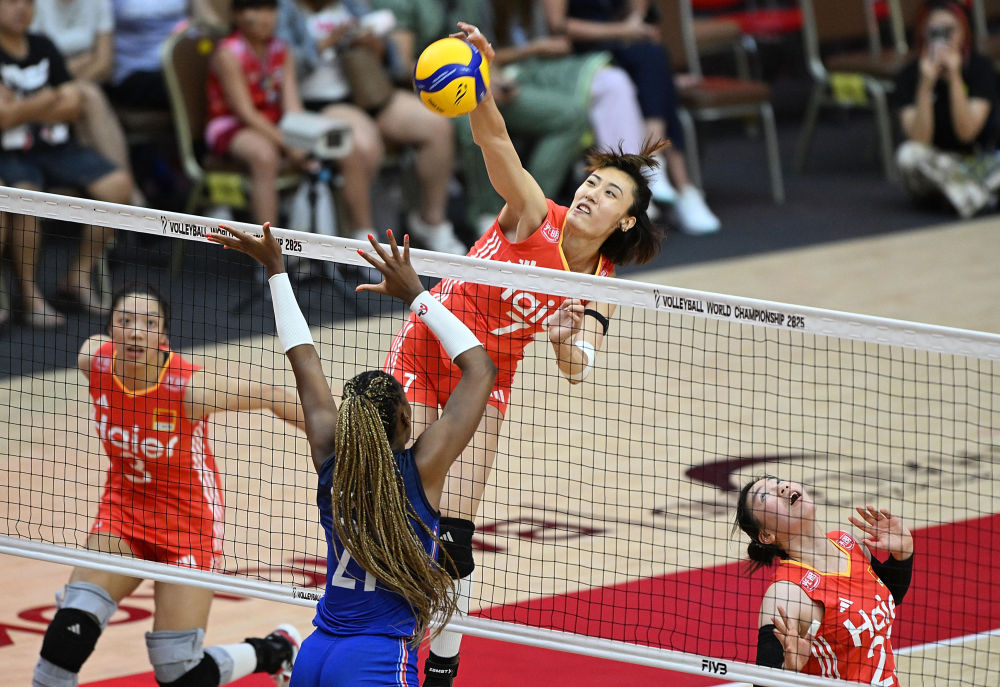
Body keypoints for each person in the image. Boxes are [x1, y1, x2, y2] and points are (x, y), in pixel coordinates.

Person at [381, 22, 666, 686]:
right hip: (425, 348)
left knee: (453, 539)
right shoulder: (535, 213)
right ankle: (378, 639)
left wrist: (568, 343)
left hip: (485, 378)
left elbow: (579, 366)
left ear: (625, 220)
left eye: (610, 193)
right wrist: (478, 84)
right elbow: (496, 143)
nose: (591, 193)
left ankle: (443, 665)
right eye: (592, 182)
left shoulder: (599, 281)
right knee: (406, 513)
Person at [205, 223, 496, 685]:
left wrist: (277, 270)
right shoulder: (420, 472)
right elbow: (480, 369)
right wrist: (416, 294)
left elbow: (303, 359)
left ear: (349, 420)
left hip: (316, 652)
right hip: (373, 658)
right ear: (407, 419)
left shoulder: (331, 464)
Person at [33, 283, 306, 687]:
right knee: (64, 641)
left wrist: (349, 440)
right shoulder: (94, 360)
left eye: (149, 323)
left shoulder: (191, 388)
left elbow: (271, 394)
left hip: (188, 526)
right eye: (125, 321)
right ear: (110, 328)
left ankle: (276, 650)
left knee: (179, 673)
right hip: (124, 513)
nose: (136, 331)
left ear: (163, 335)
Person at [279, 0, 465, 254]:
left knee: (437, 126)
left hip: (369, 92)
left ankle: (431, 222)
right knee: (361, 145)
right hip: (321, 102)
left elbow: (394, 62)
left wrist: (378, 47)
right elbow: (282, 67)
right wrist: (328, 43)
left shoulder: (352, 5)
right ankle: (362, 239)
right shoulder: (285, 11)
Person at [0, 0, 133, 328]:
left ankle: (77, 276)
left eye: (28, 2)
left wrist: (22, 106)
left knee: (118, 186)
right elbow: (2, 118)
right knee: (25, 197)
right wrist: (47, 99)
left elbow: (73, 105)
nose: (22, 8)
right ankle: (30, 297)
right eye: (12, 1)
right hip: (10, 154)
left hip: (59, 149)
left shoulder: (44, 46)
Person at [545, 0, 721, 235]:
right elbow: (557, 25)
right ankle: (681, 185)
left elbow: (640, 18)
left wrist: (636, 18)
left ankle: (656, 163)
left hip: (624, 50)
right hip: (582, 55)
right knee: (655, 74)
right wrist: (622, 31)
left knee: (654, 59)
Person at [734, 476, 915, 685]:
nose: (782, 487)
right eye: (765, 496)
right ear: (766, 535)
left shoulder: (848, 543)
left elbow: (889, 595)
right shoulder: (785, 593)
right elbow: (762, 683)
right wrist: (787, 672)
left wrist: (903, 554)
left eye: (778, 482)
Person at [206, 0, 319, 226]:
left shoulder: (281, 49)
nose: (265, 17)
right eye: (255, 9)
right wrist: (287, 144)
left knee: (321, 147)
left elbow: (292, 106)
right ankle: (266, 242)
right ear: (236, 15)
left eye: (270, 9)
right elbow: (245, 113)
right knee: (264, 155)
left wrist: (304, 139)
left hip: (272, 123)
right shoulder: (228, 53)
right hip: (230, 125)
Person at [30, 0, 146, 206]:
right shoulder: (32, 5)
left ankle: (118, 189)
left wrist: (64, 75)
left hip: (86, 87)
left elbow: (104, 65)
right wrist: (83, 62)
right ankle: (130, 196)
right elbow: (33, 68)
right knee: (87, 96)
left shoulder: (99, 3)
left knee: (86, 96)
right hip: (42, 94)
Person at [894, 0, 1000, 218]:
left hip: (977, 162)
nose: (943, 38)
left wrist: (955, 79)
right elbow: (920, 139)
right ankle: (977, 197)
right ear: (923, 32)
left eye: (950, 30)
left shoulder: (981, 68)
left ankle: (962, 196)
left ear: (964, 32)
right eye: (935, 31)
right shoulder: (908, 75)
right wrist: (926, 85)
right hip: (936, 165)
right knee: (908, 156)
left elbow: (967, 133)